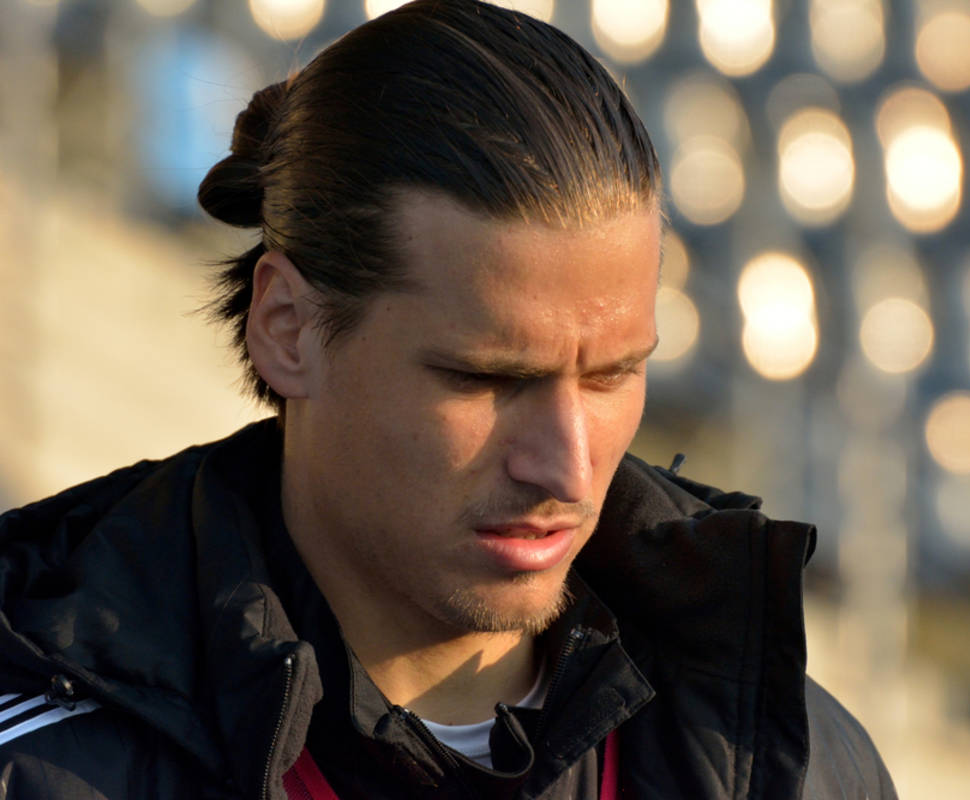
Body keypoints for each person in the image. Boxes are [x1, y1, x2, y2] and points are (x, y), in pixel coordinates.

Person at [0, 1, 896, 797]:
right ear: (287, 327)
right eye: (486, 379)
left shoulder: (793, 762)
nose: (566, 468)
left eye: (611, 374)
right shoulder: (39, 756)